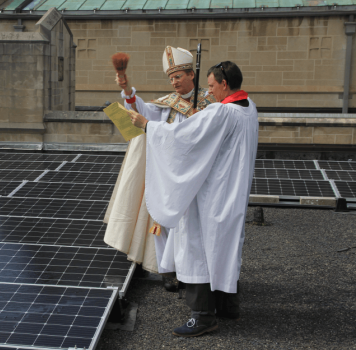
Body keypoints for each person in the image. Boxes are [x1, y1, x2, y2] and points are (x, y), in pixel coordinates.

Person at [128, 61, 258, 337]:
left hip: (211, 196)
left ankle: (202, 317)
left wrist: (148, 126)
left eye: (211, 86)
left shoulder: (222, 113)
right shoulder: (249, 107)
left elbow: (184, 137)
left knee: (197, 250)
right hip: (233, 193)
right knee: (225, 249)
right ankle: (227, 305)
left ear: (224, 84)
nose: (209, 92)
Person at [103, 46, 216, 291]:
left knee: (194, 224)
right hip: (169, 173)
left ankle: (196, 270)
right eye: (171, 78)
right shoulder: (168, 105)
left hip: (198, 174)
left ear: (191, 75)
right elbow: (142, 113)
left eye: (178, 77)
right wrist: (126, 88)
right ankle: (167, 270)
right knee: (162, 223)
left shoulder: (210, 103)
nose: (174, 82)